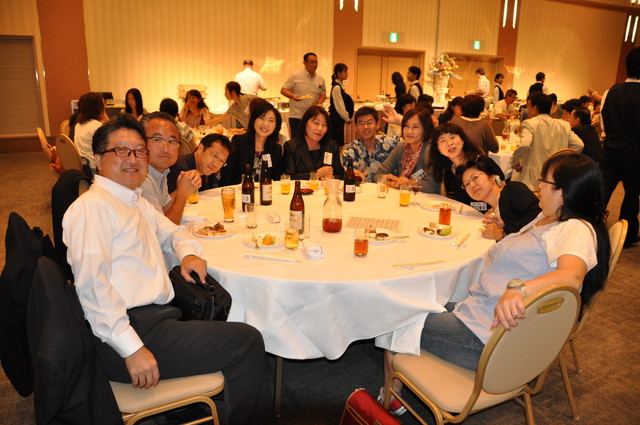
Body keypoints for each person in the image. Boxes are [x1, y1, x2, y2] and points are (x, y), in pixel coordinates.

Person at [62, 115, 268, 425]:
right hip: (129, 333)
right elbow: (93, 288)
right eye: (122, 150)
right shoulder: (93, 208)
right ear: (99, 159)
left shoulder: (132, 200)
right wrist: (132, 349)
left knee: (223, 314)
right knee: (248, 341)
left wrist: (188, 254)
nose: (133, 159)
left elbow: (172, 231)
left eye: (139, 151)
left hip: (152, 318)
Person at [381, 151, 610, 416]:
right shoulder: (548, 218)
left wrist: (518, 288)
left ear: (563, 192)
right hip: (483, 313)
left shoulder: (575, 229)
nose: (538, 186)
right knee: (419, 302)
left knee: (396, 319)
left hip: (488, 338)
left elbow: (572, 276)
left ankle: (388, 403)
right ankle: (395, 391)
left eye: (544, 181)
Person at [600, 45, 640, 247]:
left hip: (610, 149)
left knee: (601, 192)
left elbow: (603, 124)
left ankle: (591, 229)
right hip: (636, 153)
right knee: (632, 195)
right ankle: (627, 234)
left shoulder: (611, 91)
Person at [511, 92, 583, 190]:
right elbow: (579, 145)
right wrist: (562, 161)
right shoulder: (563, 125)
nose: (527, 109)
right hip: (555, 176)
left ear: (534, 109)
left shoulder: (530, 123)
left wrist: (514, 161)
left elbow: (524, 144)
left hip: (533, 179)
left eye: (528, 106)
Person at [456, 159, 540, 241]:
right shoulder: (493, 212)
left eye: (475, 177)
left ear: (492, 177)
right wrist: (503, 227)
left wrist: (503, 232)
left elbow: (538, 213)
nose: (472, 185)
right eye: (467, 184)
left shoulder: (512, 189)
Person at [140, 112, 202, 224]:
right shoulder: (140, 178)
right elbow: (162, 229)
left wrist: (184, 187)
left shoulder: (161, 171)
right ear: (140, 141)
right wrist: (182, 195)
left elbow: (163, 210)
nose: (165, 148)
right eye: (157, 139)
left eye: (172, 141)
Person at [428, 122, 503, 210]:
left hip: (493, 215)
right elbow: (453, 200)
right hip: (466, 215)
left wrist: (491, 212)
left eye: (452, 137)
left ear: (462, 140)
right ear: (438, 149)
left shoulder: (482, 161)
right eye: (443, 140)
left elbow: (503, 193)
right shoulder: (449, 172)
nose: (449, 143)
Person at [373, 108, 438, 193]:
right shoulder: (401, 147)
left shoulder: (430, 150)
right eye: (406, 126)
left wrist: (406, 183)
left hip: (428, 199)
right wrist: (393, 182)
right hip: (405, 196)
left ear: (425, 129)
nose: (409, 131)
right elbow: (377, 174)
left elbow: (430, 186)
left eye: (415, 127)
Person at [222, 102, 283, 185]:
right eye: (261, 118)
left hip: (265, 191)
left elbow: (276, 179)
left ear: (276, 126)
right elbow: (227, 175)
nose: (265, 124)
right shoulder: (239, 142)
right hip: (240, 191)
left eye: (271, 121)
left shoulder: (276, 149)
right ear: (253, 120)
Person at [283, 105, 344, 180]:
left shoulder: (331, 145)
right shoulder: (291, 146)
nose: (320, 129)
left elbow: (340, 175)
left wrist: (331, 178)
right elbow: (289, 177)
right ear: (305, 123)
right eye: (316, 123)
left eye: (324, 125)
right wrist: (316, 174)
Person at [341, 106, 398, 182]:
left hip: (389, 188)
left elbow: (412, 138)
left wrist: (399, 122)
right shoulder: (350, 151)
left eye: (369, 123)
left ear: (377, 125)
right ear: (356, 127)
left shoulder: (390, 143)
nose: (366, 127)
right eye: (361, 123)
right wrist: (358, 177)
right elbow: (352, 177)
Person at [280, 52, 327, 137]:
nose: (314, 64)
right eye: (311, 62)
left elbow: (323, 94)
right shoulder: (295, 76)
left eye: (316, 62)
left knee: (312, 140)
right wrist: (293, 96)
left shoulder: (320, 78)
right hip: (297, 116)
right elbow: (283, 90)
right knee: (298, 141)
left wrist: (320, 101)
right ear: (304, 62)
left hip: (313, 117)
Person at [74, 91, 107, 175]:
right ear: (97, 107)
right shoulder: (97, 126)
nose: (105, 106)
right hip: (95, 169)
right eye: (103, 104)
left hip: (83, 168)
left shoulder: (78, 125)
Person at [329, 63, 354, 147]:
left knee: (338, 143)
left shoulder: (339, 86)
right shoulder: (336, 87)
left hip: (338, 120)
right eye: (345, 71)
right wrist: (347, 118)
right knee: (337, 143)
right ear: (339, 73)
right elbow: (339, 106)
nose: (347, 73)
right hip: (336, 120)